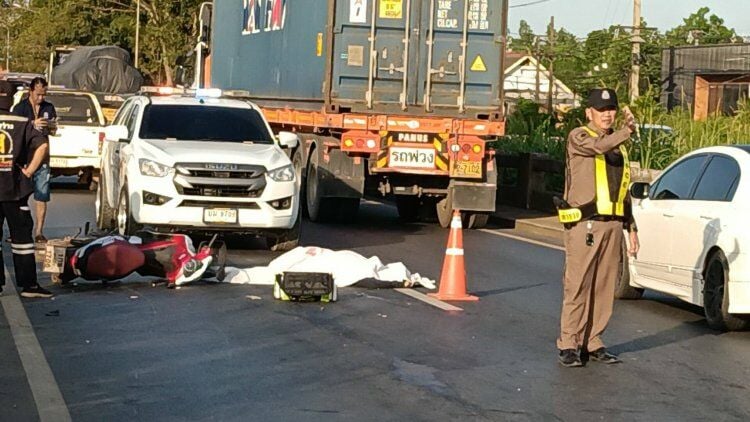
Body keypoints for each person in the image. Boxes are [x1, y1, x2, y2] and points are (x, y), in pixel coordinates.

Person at [556, 88, 639, 367]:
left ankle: (593, 342)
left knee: (604, 287)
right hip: (585, 224)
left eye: (611, 109)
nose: (607, 114)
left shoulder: (618, 145)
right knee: (578, 284)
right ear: (588, 112)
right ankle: (569, 342)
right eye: (601, 110)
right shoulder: (579, 136)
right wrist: (626, 131)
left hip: (612, 224)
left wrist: (631, 227)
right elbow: (598, 147)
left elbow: (623, 187)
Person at [0, 81, 53, 298]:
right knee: (22, 239)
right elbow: (42, 145)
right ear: (12, 98)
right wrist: (29, 172)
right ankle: (29, 285)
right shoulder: (21, 122)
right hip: (14, 190)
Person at [12, 77, 56, 243]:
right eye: (38, 94)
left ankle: (39, 232)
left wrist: (51, 126)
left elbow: (53, 129)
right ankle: (17, 231)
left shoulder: (48, 107)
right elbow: (15, 131)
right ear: (31, 91)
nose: (40, 98)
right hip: (23, 157)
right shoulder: (20, 108)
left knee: (42, 194)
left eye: (43, 95)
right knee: (18, 197)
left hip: (42, 156)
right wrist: (32, 124)